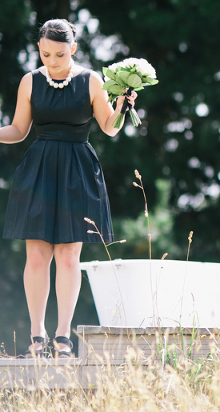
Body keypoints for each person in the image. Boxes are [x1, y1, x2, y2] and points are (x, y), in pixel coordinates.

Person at [1, 19, 136, 358]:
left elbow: (109, 128)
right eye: (46, 54)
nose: (52, 61)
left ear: (73, 49)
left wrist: (120, 107)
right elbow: (18, 130)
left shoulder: (91, 81)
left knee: (68, 256)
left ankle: (62, 337)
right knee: (36, 256)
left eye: (60, 55)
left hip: (78, 170)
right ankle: (36, 337)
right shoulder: (29, 81)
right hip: (40, 169)